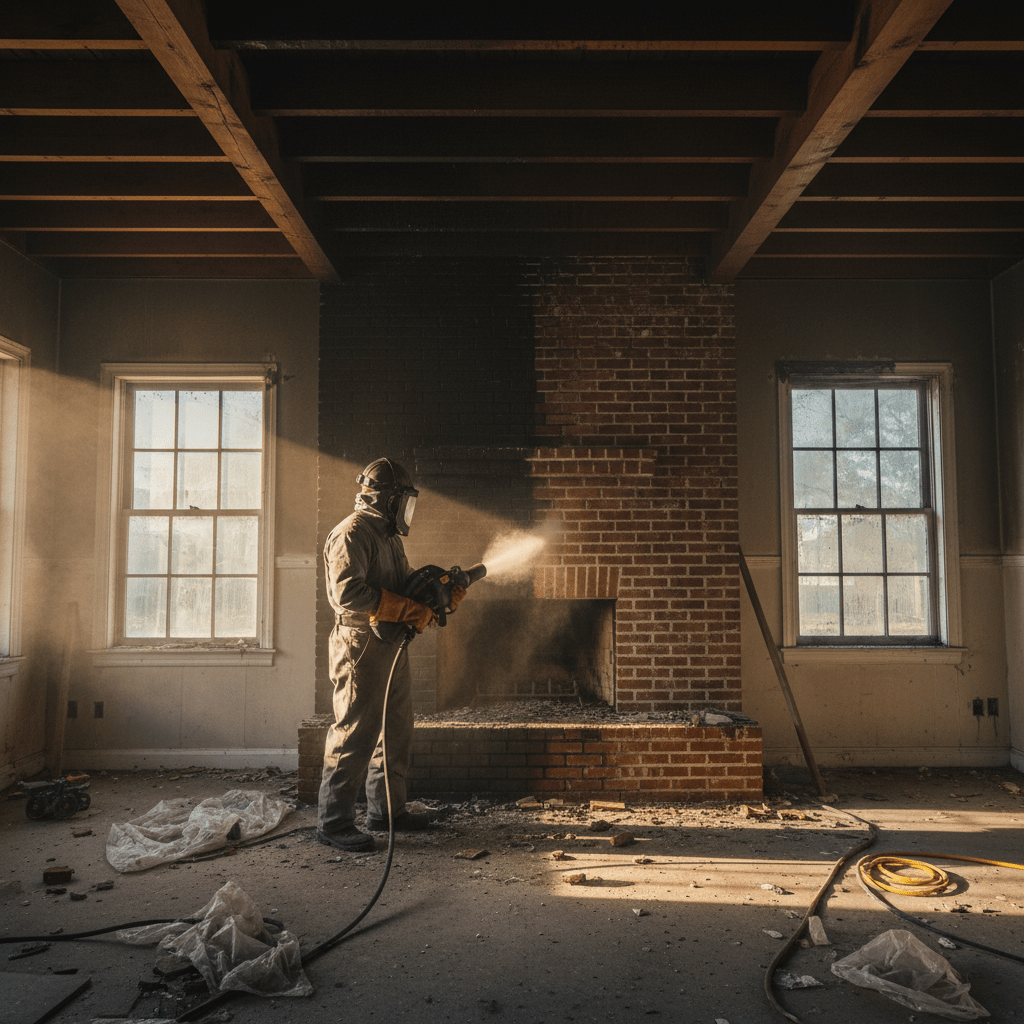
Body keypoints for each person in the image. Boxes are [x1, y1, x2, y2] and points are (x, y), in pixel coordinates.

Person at [317, 458, 465, 852]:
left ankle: (386, 811)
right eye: (404, 501)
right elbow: (347, 595)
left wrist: (438, 592)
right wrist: (406, 609)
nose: (407, 510)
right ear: (386, 498)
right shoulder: (351, 533)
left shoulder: (387, 536)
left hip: (391, 642)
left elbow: (401, 584)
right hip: (361, 644)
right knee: (355, 731)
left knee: (395, 728)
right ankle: (333, 823)